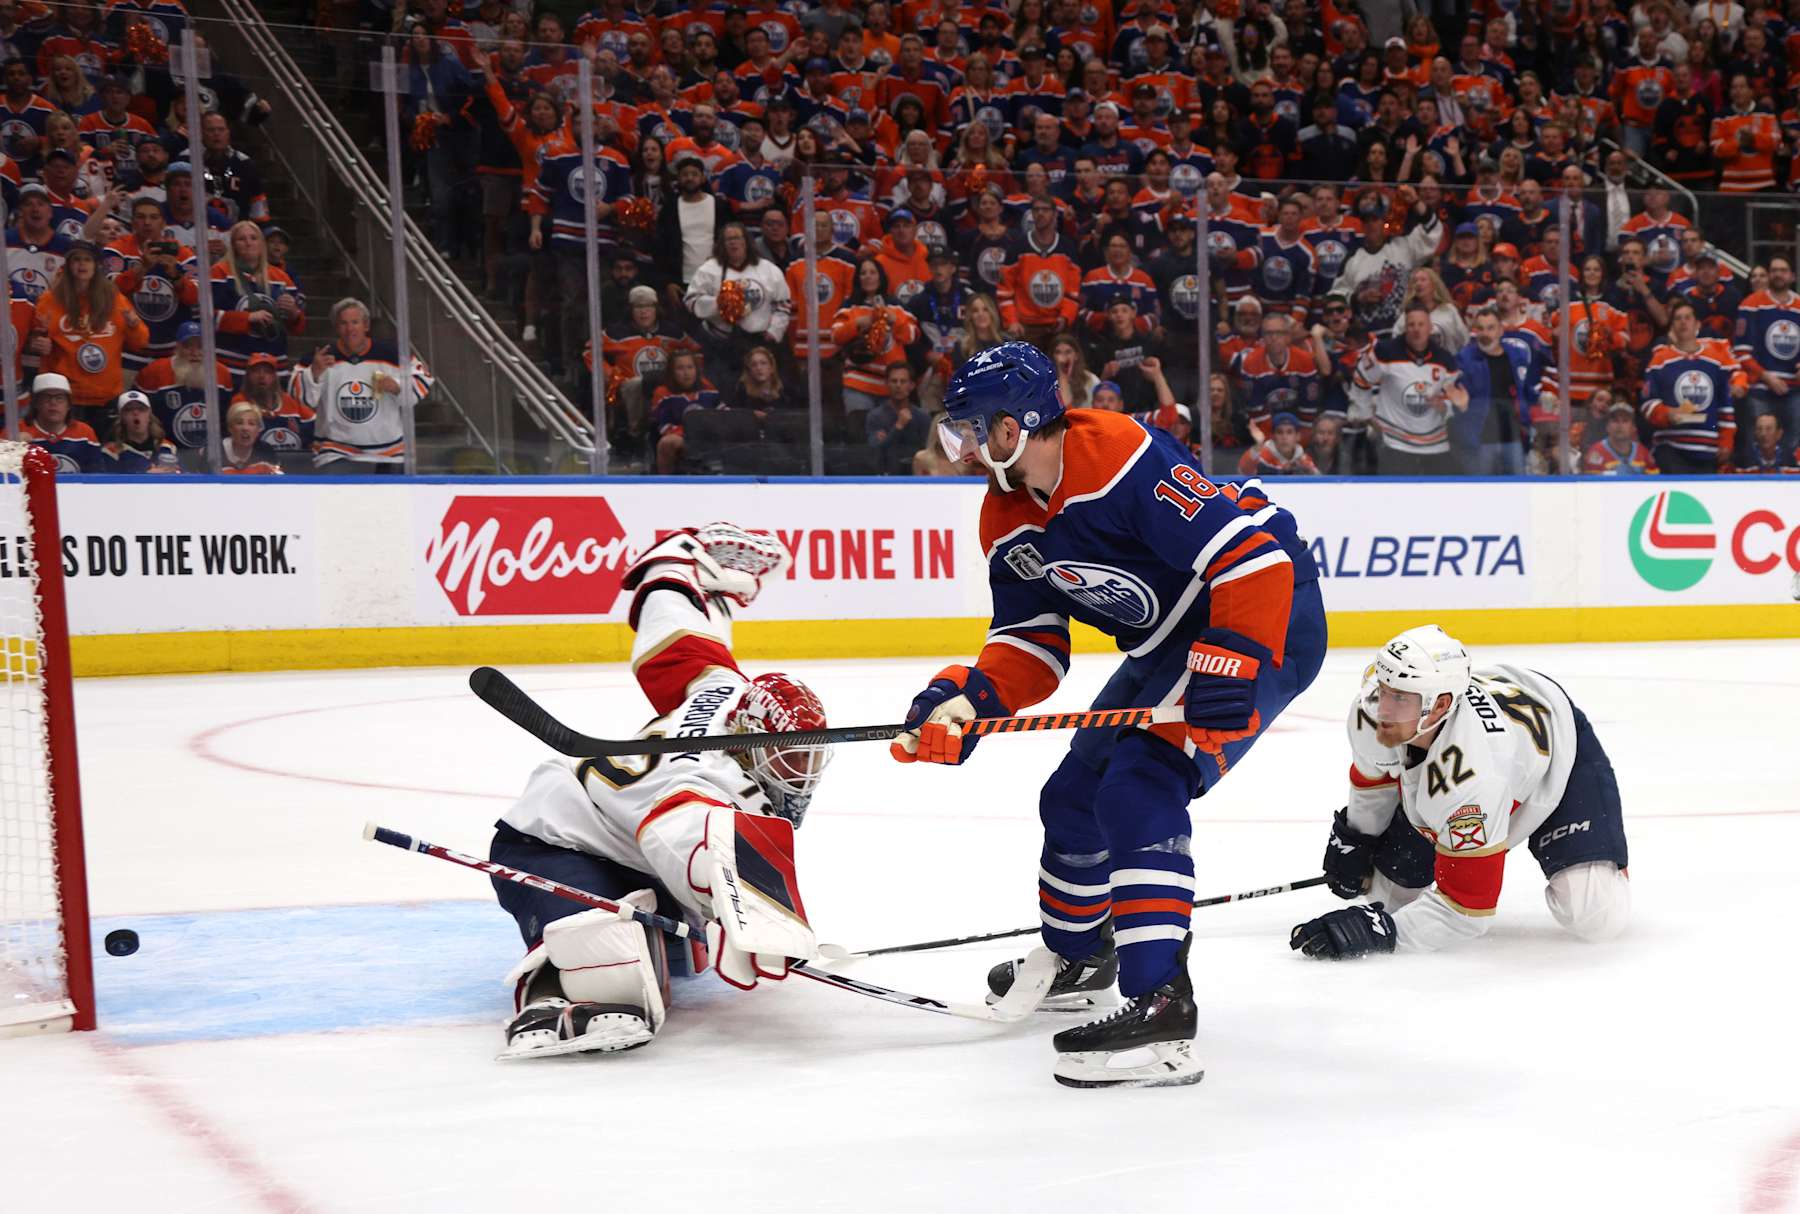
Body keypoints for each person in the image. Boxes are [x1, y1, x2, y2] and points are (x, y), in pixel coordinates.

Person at [891, 341, 1325, 1088]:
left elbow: (1255, 561)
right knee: (1072, 799)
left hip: (1264, 620)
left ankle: (1162, 1007)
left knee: (1140, 784)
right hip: (1167, 641)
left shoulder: (1118, 452)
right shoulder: (1003, 515)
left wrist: (1233, 656)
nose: (959, 447)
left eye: (970, 428)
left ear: (1013, 426)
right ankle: (1083, 955)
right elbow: (1033, 643)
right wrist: (970, 698)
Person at [487, 521, 829, 1057]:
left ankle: (629, 929)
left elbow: (678, 645)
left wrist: (672, 572)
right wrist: (747, 912)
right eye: (786, 759)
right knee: (610, 962)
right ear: (748, 742)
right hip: (552, 840)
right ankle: (556, 995)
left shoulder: (729, 694)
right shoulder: (707, 778)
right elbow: (682, 832)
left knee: (679, 956)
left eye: (807, 759)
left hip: (631, 844)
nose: (797, 775)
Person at [1291, 625, 1630, 959]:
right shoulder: (1372, 712)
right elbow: (1374, 783)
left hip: (1560, 755)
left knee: (1595, 915)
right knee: (1392, 899)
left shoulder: (1475, 774)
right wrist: (1357, 840)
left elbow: (1467, 908)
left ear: (1438, 706)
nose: (1383, 708)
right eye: (1383, 687)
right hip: (1488, 762)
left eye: (1399, 697)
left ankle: (1604, 866)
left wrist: (1381, 932)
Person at [292, 297, 435, 471]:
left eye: (355, 322)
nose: (350, 328)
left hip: (389, 452)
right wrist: (313, 373)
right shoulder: (320, 357)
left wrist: (398, 386)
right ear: (336, 328)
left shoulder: (392, 354)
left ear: (366, 326)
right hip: (336, 452)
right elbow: (298, 395)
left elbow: (424, 377)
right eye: (343, 323)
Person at [28, 238, 148, 428]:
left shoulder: (114, 299)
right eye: (76, 259)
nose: (82, 264)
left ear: (96, 266)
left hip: (106, 397)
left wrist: (133, 325)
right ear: (68, 266)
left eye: (87, 259)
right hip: (64, 398)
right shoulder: (49, 301)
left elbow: (140, 342)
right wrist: (39, 344)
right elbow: (36, 340)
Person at [1350, 303, 1469, 475]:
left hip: (1435, 444)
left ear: (1430, 327)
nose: (1416, 329)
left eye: (1421, 324)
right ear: (1405, 327)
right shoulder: (1384, 351)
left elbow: (1452, 400)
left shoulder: (1445, 360)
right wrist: (1365, 415)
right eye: (1411, 325)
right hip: (1395, 443)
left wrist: (1447, 406)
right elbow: (1361, 378)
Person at [1640, 299, 1745, 475]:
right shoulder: (1660, 360)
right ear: (1671, 326)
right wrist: (1666, 414)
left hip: (1708, 448)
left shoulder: (1715, 361)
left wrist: (1726, 441)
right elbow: (1647, 402)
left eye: (1687, 318)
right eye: (1678, 318)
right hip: (1671, 446)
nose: (1683, 322)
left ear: (1697, 324)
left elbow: (1724, 406)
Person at [1451, 306, 1534, 475]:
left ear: (1501, 330)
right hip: (1480, 441)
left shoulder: (1517, 356)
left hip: (1513, 437)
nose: (1485, 334)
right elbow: (1455, 397)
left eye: (1490, 328)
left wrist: (1528, 419)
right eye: (1480, 328)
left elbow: (1526, 391)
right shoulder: (1464, 360)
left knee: (1517, 492)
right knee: (1480, 494)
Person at [17, 371, 103, 472]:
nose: (53, 403)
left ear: (69, 405)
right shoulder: (16, 431)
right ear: (36, 403)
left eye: (59, 398)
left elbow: (97, 476)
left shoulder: (85, 433)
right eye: (46, 397)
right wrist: (13, 449)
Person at [866, 361, 928, 476]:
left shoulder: (922, 416)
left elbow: (927, 450)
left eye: (903, 381)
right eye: (894, 381)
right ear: (886, 384)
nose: (898, 385)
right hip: (885, 475)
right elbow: (876, 450)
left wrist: (887, 437)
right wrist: (898, 426)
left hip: (916, 476)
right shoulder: (875, 416)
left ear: (912, 385)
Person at [100, 389, 180, 474]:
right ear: (122, 417)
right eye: (129, 409)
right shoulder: (111, 452)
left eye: (141, 409)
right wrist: (146, 476)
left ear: (149, 415)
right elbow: (111, 483)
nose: (135, 413)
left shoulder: (167, 447)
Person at [1582, 399, 1657, 475]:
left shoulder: (1644, 454)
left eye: (1625, 421)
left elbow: (1656, 484)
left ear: (1633, 428)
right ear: (1607, 426)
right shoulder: (1596, 453)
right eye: (1615, 421)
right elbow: (1592, 485)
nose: (1620, 425)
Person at [1236, 411, 1319, 475]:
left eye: (1289, 432)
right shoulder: (1262, 456)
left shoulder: (1303, 460)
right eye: (1280, 432)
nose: (1284, 437)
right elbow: (1243, 471)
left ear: (1297, 436)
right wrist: (1258, 445)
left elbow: (1320, 481)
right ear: (1273, 436)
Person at [218, 400, 282, 474]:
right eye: (239, 423)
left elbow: (279, 481)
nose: (245, 428)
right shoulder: (215, 452)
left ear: (258, 429)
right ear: (230, 428)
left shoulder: (266, 451)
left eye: (251, 423)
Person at [1733, 412, 1798, 473]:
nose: (1763, 434)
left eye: (1769, 429)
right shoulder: (1743, 460)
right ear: (1754, 433)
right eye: (1759, 429)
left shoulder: (1791, 460)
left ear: (1779, 433)